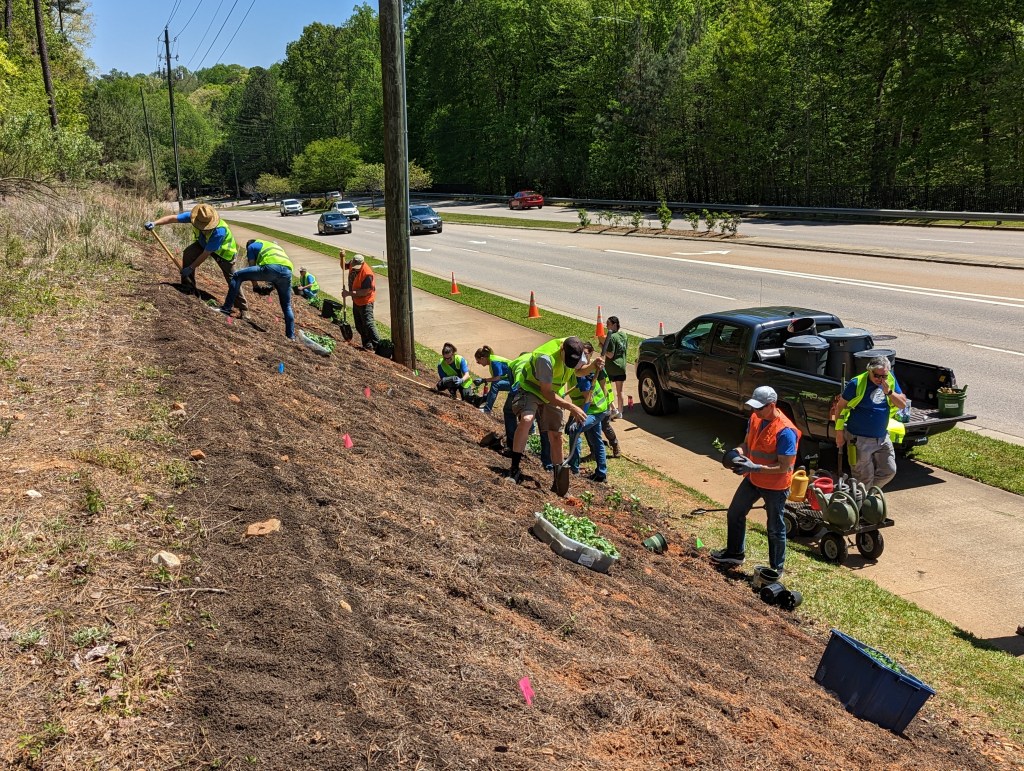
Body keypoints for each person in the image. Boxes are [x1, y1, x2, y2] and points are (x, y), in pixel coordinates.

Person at [710, 386, 800, 576]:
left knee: (775, 527)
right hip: (753, 479)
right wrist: (737, 453)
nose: (755, 411)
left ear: (772, 405)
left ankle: (776, 568)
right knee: (735, 512)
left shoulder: (786, 432)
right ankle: (735, 553)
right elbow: (747, 444)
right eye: (754, 407)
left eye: (759, 408)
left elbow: (784, 466)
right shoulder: (755, 418)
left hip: (775, 486)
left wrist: (755, 468)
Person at [505, 336, 597, 496]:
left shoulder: (577, 351)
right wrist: (571, 406)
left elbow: (578, 371)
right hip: (531, 388)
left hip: (554, 393)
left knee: (557, 435)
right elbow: (546, 392)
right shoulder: (545, 358)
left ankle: (558, 481)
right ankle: (514, 470)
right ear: (562, 348)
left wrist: (593, 366)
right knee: (527, 420)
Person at [145, 203, 248, 315]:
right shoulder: (195, 217)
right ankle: (188, 286)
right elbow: (173, 218)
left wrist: (191, 267)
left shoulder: (219, 231)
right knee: (189, 253)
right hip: (203, 244)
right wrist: (155, 223)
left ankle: (243, 309)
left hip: (224, 253)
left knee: (233, 278)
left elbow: (206, 254)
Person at [834, 356, 908, 489]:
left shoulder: (889, 380)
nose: (881, 380)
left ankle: (865, 494)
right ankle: (859, 504)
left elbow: (902, 404)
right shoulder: (856, 383)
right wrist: (839, 433)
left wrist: (889, 392)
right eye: (877, 376)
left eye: (884, 376)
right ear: (869, 370)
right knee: (863, 479)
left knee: (889, 471)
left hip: (882, 438)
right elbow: (839, 407)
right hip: (859, 439)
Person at [222, 240, 295, 339]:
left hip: (271, 267)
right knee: (286, 306)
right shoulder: (271, 246)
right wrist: (271, 288)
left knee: (237, 275)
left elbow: (253, 266)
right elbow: (280, 273)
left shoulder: (251, 246)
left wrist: (255, 286)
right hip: (287, 272)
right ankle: (291, 336)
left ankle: (226, 308)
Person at [563, 359, 613, 483]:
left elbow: (588, 399)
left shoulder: (581, 376)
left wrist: (579, 417)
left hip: (595, 410)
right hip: (595, 409)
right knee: (596, 439)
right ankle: (601, 473)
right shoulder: (573, 373)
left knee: (574, 430)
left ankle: (574, 469)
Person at [583, 341, 621, 458]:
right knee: (587, 428)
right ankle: (593, 451)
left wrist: (605, 405)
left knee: (605, 426)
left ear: (591, 353)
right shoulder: (581, 366)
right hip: (588, 403)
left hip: (601, 403)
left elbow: (604, 387)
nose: (583, 356)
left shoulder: (598, 368)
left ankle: (615, 445)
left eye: (585, 354)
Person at [341, 253, 381, 351]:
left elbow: (364, 292)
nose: (355, 268)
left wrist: (348, 293)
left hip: (366, 301)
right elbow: (343, 266)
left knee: (368, 323)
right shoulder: (352, 263)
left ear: (362, 263)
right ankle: (367, 344)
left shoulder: (367, 274)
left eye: (357, 267)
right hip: (356, 300)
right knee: (359, 325)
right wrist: (341, 257)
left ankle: (378, 346)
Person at [601, 316, 628, 418]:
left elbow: (610, 355)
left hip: (612, 368)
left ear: (614, 325)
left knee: (607, 388)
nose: (607, 326)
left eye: (608, 324)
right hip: (621, 366)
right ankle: (620, 411)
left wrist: (602, 346)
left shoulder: (612, 337)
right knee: (620, 391)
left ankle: (612, 408)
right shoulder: (624, 335)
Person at [474, 345, 512, 414]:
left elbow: (497, 378)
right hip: (511, 379)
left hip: (516, 381)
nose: (479, 364)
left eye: (478, 362)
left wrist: (484, 380)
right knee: (495, 385)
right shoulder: (491, 361)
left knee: (496, 385)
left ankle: (487, 409)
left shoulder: (494, 362)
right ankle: (485, 404)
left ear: (482, 358)